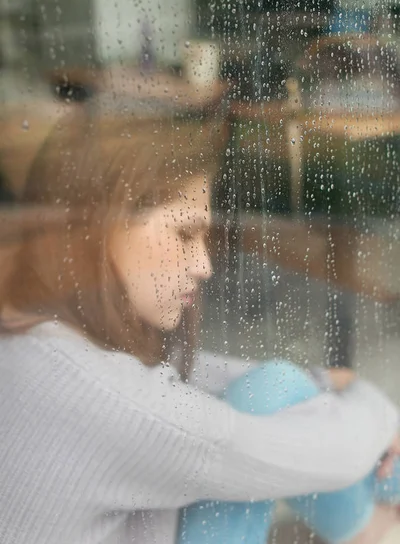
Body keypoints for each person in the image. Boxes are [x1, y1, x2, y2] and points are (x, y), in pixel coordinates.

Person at [0, 105, 399, 544]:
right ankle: (376, 531)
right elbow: (286, 452)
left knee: (278, 388)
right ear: (97, 226)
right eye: (185, 234)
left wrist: (321, 381)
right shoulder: (89, 393)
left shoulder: (37, 342)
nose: (204, 266)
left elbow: (169, 381)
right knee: (275, 406)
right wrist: (379, 411)